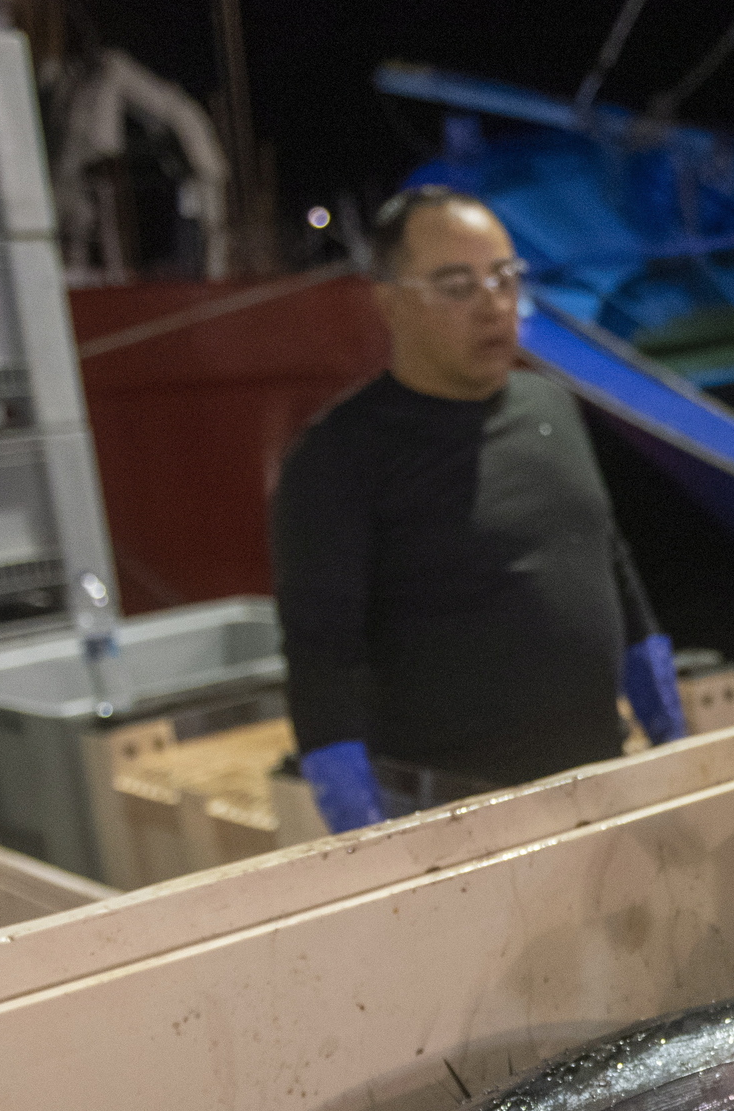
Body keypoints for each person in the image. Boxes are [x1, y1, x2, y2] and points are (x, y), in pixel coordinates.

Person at [271, 189, 684, 831]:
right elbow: (323, 666)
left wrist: (673, 749)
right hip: (451, 818)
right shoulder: (337, 458)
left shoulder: (553, 409)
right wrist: (370, 849)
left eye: (504, 278)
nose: (493, 305)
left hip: (603, 785)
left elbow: (616, 577)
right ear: (389, 300)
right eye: (457, 286)